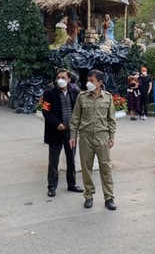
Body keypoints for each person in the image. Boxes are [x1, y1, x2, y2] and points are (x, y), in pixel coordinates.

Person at [69, 70, 117, 211]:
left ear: (100, 83)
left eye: (92, 81)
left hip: (102, 137)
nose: (88, 83)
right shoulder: (82, 97)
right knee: (86, 168)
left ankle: (109, 197)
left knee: (105, 168)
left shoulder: (107, 97)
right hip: (86, 137)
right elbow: (75, 118)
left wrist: (112, 137)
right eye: (88, 80)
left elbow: (111, 119)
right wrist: (73, 135)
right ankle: (88, 195)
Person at [43, 69, 83, 197]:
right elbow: (46, 112)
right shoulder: (49, 93)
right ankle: (52, 186)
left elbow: (79, 110)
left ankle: (72, 184)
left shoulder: (75, 92)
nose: (60, 80)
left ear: (69, 79)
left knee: (71, 159)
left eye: (63, 77)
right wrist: (57, 123)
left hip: (70, 132)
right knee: (53, 161)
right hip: (55, 131)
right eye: (58, 77)